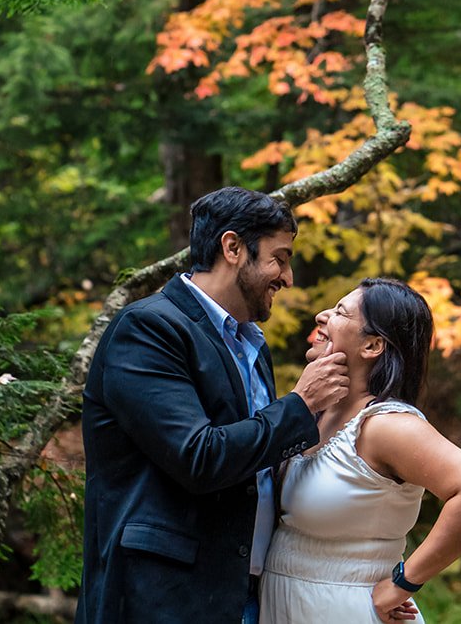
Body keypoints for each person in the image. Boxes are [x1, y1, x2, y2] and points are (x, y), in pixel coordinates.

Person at [75, 187, 351, 624]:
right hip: (165, 600)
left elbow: (256, 469)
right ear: (233, 247)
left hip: (246, 595)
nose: (288, 277)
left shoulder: (253, 347)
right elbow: (199, 456)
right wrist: (300, 405)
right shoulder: (149, 329)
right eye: (279, 258)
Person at [259, 278, 461, 624]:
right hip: (285, 603)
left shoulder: (385, 426)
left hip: (350, 609)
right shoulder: (314, 414)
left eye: (340, 312)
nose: (321, 316)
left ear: (373, 345)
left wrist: (403, 583)